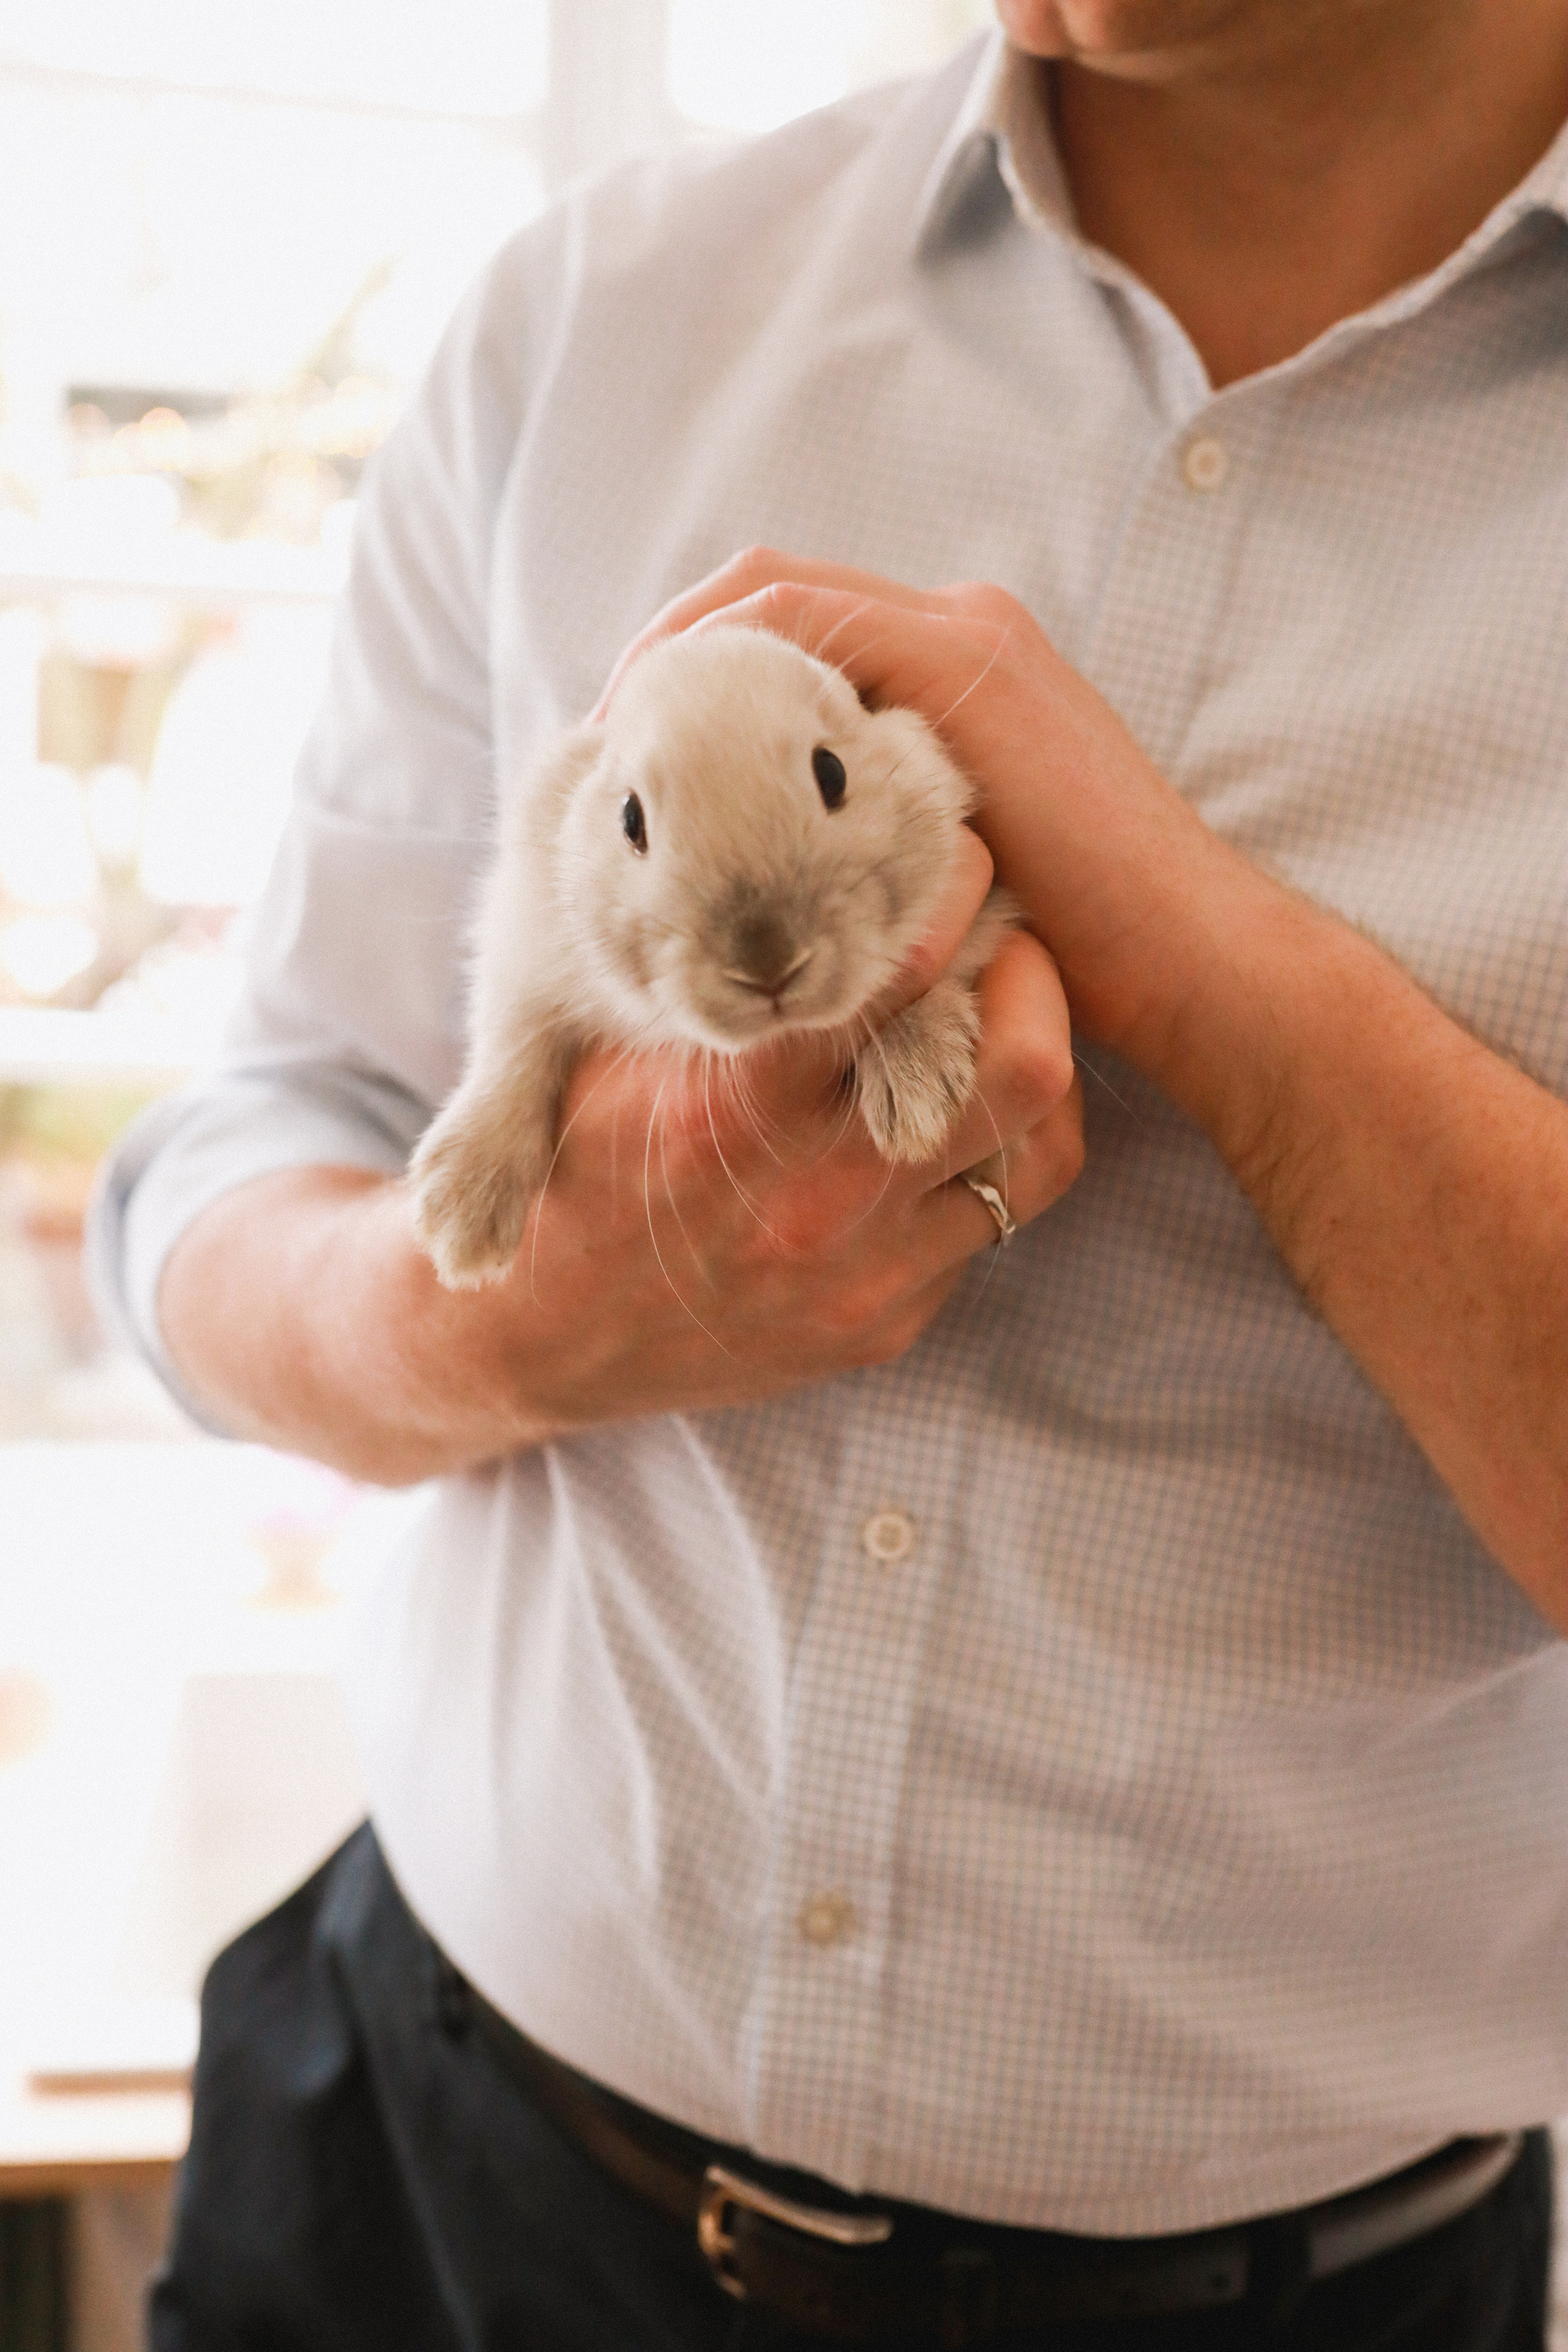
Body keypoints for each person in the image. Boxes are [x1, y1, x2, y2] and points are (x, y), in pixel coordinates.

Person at [92, 1, 1568, 2345]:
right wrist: (485, 1314)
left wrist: (1220, 987)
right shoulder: (596, 307)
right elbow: (235, 1154)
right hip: (433, 2154)